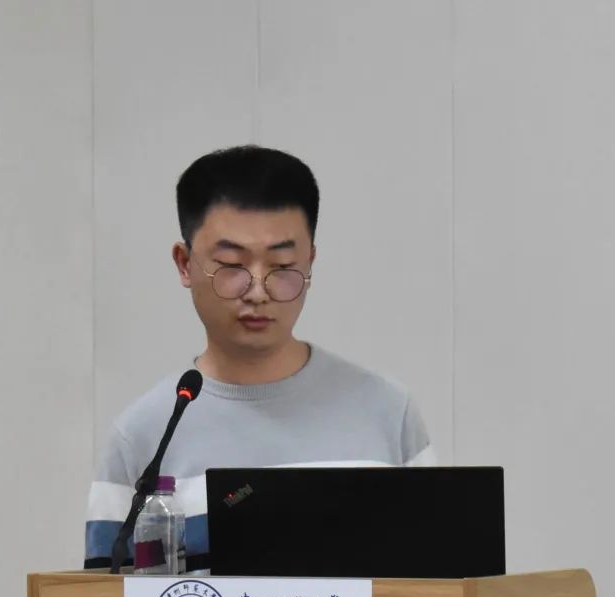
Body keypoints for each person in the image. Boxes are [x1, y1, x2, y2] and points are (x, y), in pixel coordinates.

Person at [84, 145, 435, 569]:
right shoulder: (144, 436)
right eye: (231, 265)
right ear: (184, 264)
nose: (257, 290)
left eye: (282, 265)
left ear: (310, 263)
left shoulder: (388, 413)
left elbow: (441, 587)